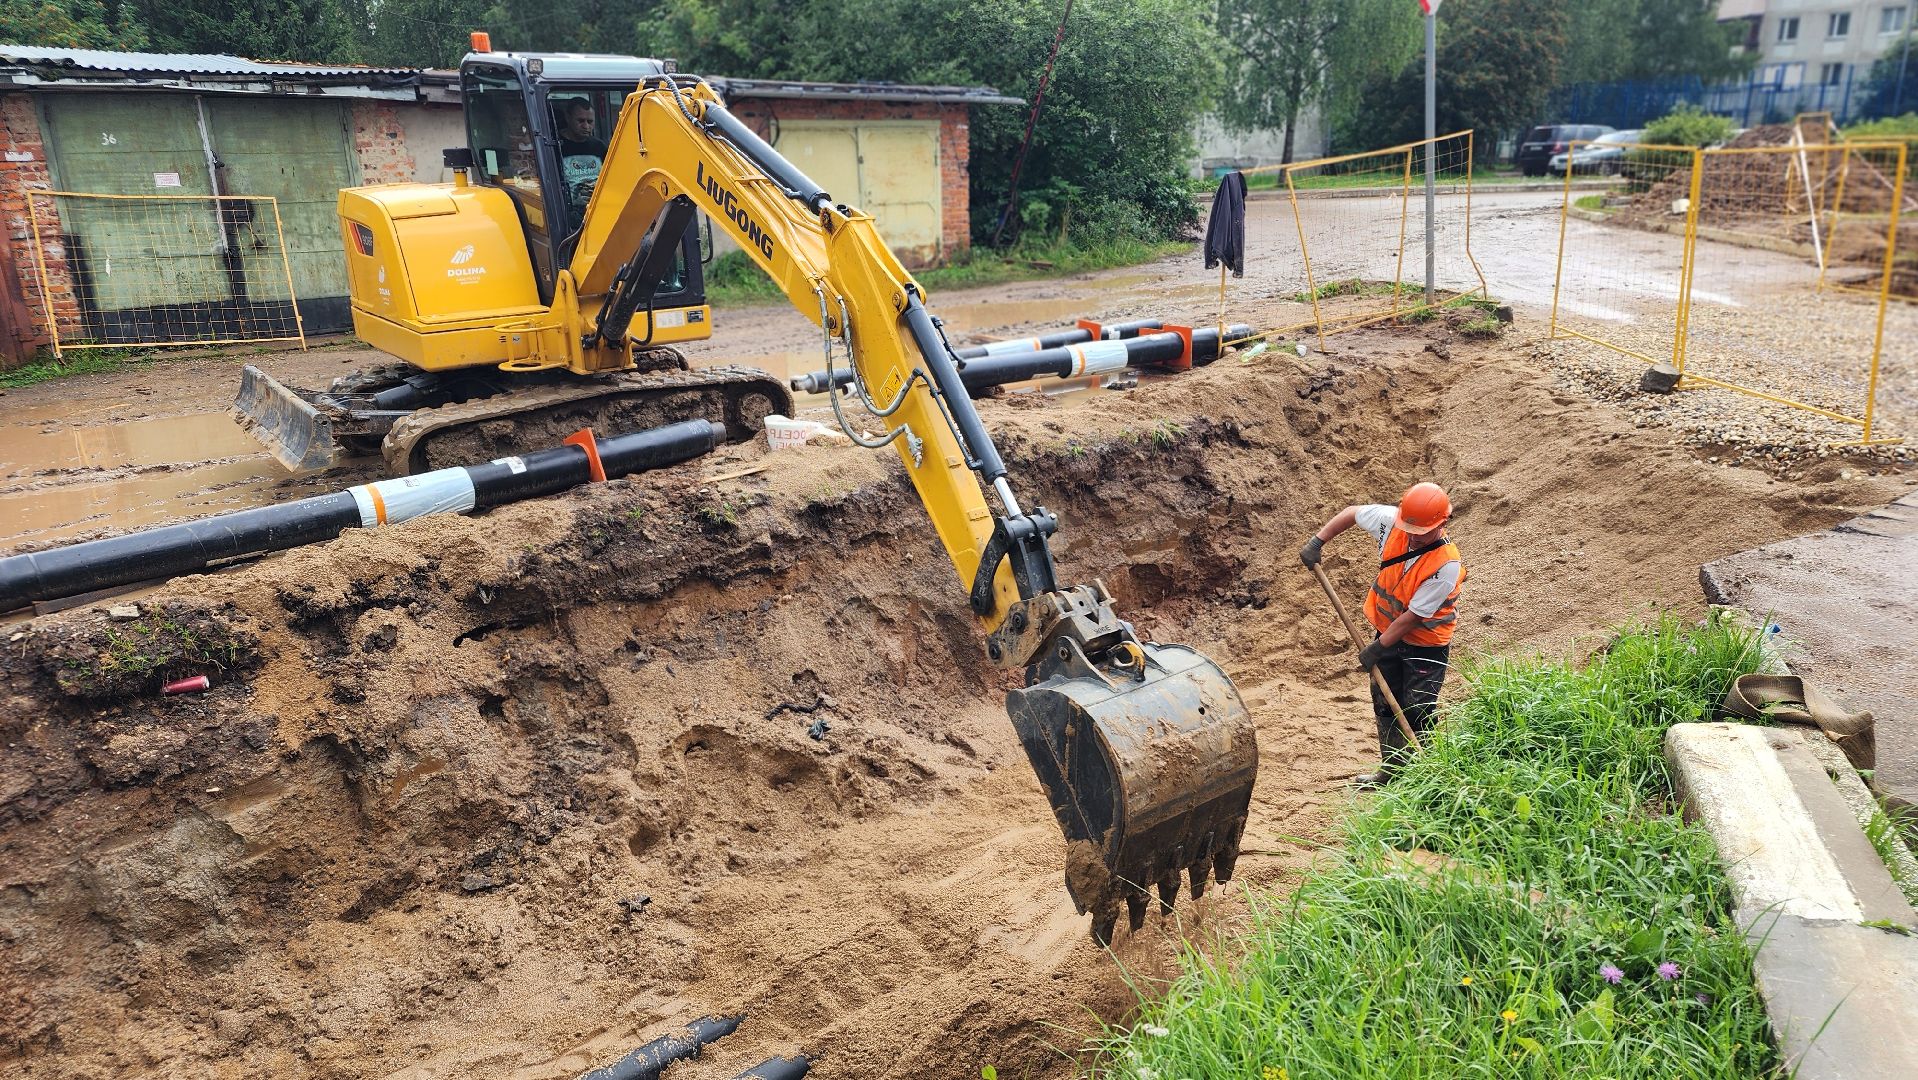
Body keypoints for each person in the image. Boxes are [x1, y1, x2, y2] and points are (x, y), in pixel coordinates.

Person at [1300, 482, 1465, 787]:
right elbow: (1352, 513)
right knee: (1384, 702)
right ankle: (1391, 771)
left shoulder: (1446, 565)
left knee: (1417, 708)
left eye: (1422, 532)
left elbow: (1414, 617)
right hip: (1387, 632)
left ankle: (1427, 777)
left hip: (1426, 645)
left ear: (1442, 523)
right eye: (1410, 529)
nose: (1413, 536)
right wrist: (1317, 541)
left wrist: (1378, 648)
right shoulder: (1392, 523)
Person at [555, 97, 607, 213]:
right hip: (566, 213)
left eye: (590, 122)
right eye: (581, 121)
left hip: (597, 210)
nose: (586, 126)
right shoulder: (555, 146)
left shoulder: (599, 147)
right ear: (568, 118)